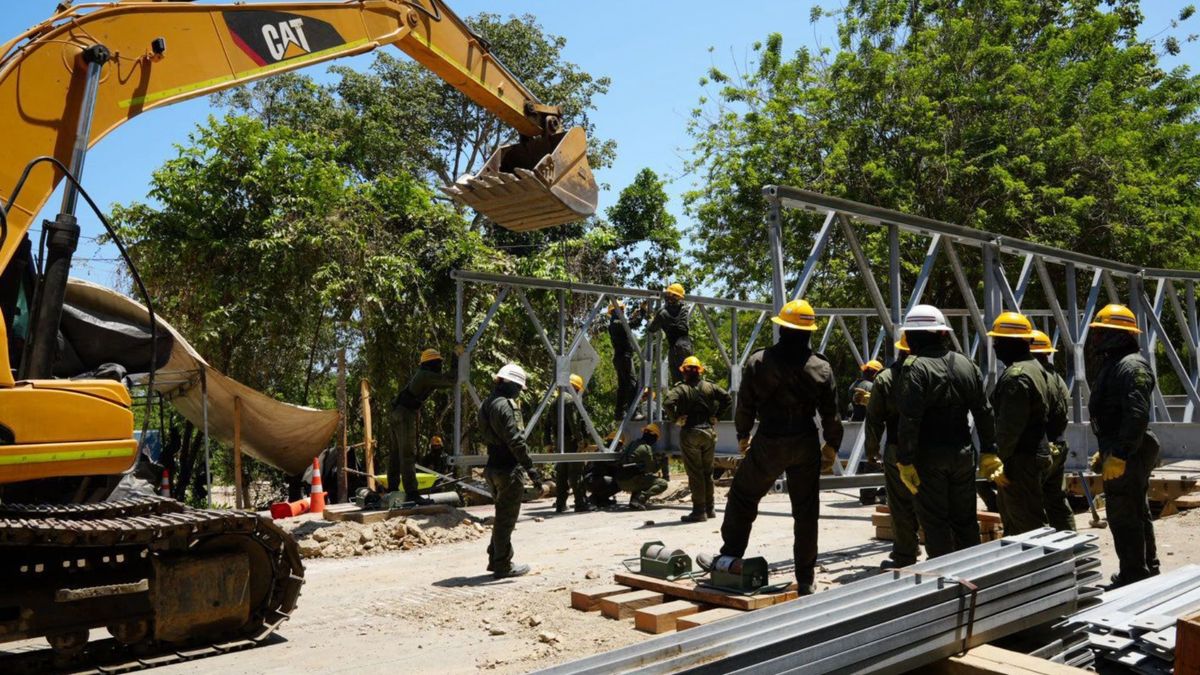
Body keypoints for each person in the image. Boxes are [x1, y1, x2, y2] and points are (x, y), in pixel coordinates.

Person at [717, 300, 842, 595]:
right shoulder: (820, 367)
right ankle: (806, 579)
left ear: (782, 327)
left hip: (770, 440)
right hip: (804, 441)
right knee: (806, 511)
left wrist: (743, 435)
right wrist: (831, 447)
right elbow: (831, 414)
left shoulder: (760, 362)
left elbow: (745, 403)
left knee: (744, 496)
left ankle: (730, 557)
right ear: (809, 331)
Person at [896, 304, 996, 559]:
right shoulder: (966, 364)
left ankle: (946, 582)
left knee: (935, 521)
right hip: (963, 455)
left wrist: (905, 461)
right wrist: (988, 451)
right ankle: (974, 573)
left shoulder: (915, 367)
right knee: (965, 519)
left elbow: (910, 418)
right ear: (942, 334)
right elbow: (984, 411)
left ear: (912, 337)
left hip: (929, 456)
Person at [1087, 304, 1159, 587]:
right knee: (1136, 510)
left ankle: (1133, 575)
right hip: (1123, 448)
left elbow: (1137, 414)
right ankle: (1146, 568)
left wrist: (1118, 453)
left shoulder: (1131, 366)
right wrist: (1105, 449)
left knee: (1124, 515)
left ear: (1118, 335)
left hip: (1130, 451)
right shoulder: (1116, 364)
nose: (1096, 338)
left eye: (1102, 332)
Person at [985, 312, 1062, 536]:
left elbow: (1010, 426)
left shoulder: (1017, 376)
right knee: (1015, 519)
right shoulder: (1037, 369)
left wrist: (999, 458)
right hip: (1032, 452)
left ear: (1012, 342)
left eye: (998, 341)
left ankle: (1045, 567)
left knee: (1027, 522)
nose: (996, 346)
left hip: (1020, 458)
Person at [479, 363, 541, 578]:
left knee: (501, 516)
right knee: (506, 520)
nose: (518, 392)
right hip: (508, 470)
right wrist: (531, 470)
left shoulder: (487, 403)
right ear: (512, 384)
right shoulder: (506, 405)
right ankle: (502, 565)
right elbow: (516, 441)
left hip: (492, 468)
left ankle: (495, 558)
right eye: (519, 388)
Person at [865, 332, 919, 569]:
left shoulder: (886, 378)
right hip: (928, 448)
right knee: (930, 500)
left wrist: (871, 449)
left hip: (897, 448)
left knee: (900, 502)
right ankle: (944, 553)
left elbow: (874, 418)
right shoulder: (931, 373)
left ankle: (906, 552)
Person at [664, 356, 732, 522]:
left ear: (684, 372)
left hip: (690, 433)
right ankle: (710, 509)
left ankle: (699, 511)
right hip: (708, 432)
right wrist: (716, 416)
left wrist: (676, 418)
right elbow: (727, 398)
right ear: (699, 371)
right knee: (708, 472)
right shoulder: (710, 386)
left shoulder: (681, 389)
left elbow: (667, 402)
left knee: (695, 473)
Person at [389, 348, 455, 505]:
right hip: (405, 413)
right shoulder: (425, 375)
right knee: (407, 455)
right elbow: (450, 380)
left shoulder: (423, 374)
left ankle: (392, 493)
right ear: (431, 364)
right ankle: (412, 494)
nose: (439, 366)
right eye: (438, 363)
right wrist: (456, 358)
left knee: (396, 455)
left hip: (397, 412)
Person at [1030, 330, 1074, 531]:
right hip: (1058, 444)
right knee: (1057, 499)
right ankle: (1071, 542)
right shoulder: (1057, 378)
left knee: (1031, 505)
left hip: (1041, 448)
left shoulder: (1036, 377)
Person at [554, 374, 595, 513]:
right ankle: (580, 503)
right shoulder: (571, 400)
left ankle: (560, 504)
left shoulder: (555, 400)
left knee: (561, 474)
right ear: (575, 388)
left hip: (559, 442)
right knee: (576, 473)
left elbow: (547, 424)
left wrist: (548, 443)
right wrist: (580, 440)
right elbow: (574, 422)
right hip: (571, 442)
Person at [648, 283, 693, 385]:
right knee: (690, 379)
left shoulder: (662, 313)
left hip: (676, 348)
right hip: (687, 346)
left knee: (678, 383)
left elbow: (652, 329)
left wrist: (652, 318)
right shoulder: (684, 309)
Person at [617, 424, 669, 510]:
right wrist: (661, 462)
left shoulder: (632, 443)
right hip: (631, 481)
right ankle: (639, 500)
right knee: (662, 483)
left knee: (642, 476)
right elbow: (652, 469)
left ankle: (633, 501)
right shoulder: (646, 448)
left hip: (620, 481)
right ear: (653, 437)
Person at [609, 302, 645, 421]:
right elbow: (633, 324)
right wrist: (643, 311)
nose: (623, 312)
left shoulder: (615, 322)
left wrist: (635, 315)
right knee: (632, 384)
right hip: (624, 357)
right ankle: (633, 412)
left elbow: (627, 324)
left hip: (620, 358)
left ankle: (619, 413)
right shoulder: (617, 322)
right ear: (618, 310)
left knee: (623, 387)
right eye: (622, 310)